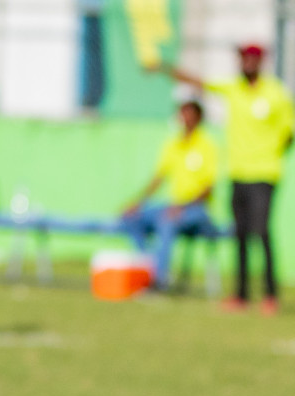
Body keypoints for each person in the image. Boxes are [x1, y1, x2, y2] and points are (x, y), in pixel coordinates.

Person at [165, 44, 292, 314]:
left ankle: (270, 295)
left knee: (261, 232)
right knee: (241, 234)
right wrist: (166, 68)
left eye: (250, 58)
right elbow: (199, 82)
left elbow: (289, 130)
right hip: (237, 173)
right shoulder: (233, 89)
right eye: (242, 58)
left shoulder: (275, 93)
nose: (245, 63)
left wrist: (272, 152)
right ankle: (242, 295)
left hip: (264, 173)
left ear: (260, 62)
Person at [120, 99, 219, 290]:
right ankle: (149, 268)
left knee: (167, 222)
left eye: (189, 115)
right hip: (173, 205)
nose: (185, 119)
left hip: (196, 210)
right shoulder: (173, 144)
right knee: (131, 219)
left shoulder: (207, 146)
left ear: (199, 119)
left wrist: (183, 207)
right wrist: (137, 203)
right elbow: (158, 178)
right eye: (182, 114)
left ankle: (160, 280)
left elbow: (208, 188)